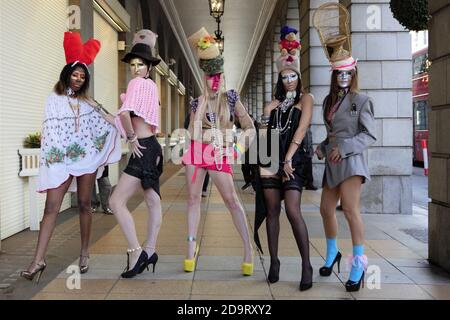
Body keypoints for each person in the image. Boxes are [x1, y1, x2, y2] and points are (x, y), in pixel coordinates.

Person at [20, 32, 122, 282]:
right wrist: (56, 161)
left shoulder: (88, 101)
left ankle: (85, 252)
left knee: (85, 204)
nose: (78, 79)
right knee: (51, 208)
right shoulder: (53, 99)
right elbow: (51, 132)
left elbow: (111, 121)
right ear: (67, 74)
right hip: (62, 160)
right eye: (75, 75)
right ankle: (38, 261)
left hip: (85, 159)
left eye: (82, 76)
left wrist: (106, 112)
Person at [89, 29, 163, 279]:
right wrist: (96, 106)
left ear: (149, 67)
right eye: (132, 64)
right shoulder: (150, 87)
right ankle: (150, 251)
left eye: (141, 64)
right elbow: (121, 118)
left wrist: (131, 138)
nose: (135, 68)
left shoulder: (137, 84)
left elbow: (123, 116)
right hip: (151, 146)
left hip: (142, 148)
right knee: (152, 201)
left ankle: (135, 251)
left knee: (115, 201)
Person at [182, 27, 256, 275]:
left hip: (220, 152)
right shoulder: (196, 101)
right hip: (196, 152)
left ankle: (248, 249)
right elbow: (192, 135)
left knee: (231, 200)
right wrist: (200, 109)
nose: (213, 80)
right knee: (192, 199)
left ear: (222, 76)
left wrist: (234, 151)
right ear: (203, 77)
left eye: (217, 75)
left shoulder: (231, 99)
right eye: (209, 75)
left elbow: (250, 128)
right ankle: (190, 248)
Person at [314, 19, 377, 291]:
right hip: (332, 162)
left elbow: (369, 135)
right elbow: (332, 133)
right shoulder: (328, 101)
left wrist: (345, 148)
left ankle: (359, 263)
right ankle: (332, 253)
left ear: (353, 74)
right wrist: (322, 146)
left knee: (350, 210)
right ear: (333, 75)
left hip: (352, 163)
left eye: (347, 74)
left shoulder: (362, 101)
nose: (343, 78)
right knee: (325, 209)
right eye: (339, 74)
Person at [255, 26, 314, 291]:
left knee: (292, 209)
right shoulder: (274, 103)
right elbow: (265, 138)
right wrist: (267, 114)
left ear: (298, 77)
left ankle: (306, 265)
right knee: (271, 211)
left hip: (294, 160)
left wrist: (288, 158)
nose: (289, 80)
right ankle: (274, 261)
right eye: (285, 77)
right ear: (280, 80)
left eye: (292, 76)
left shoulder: (307, 99)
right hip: (270, 160)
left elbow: (301, 129)